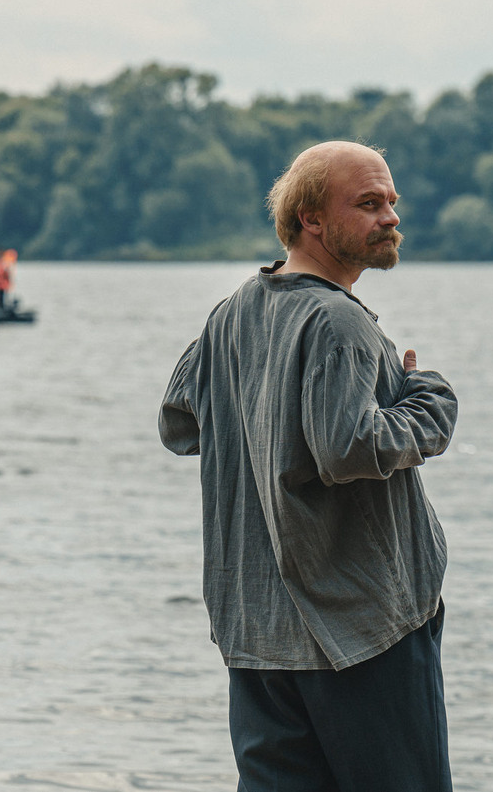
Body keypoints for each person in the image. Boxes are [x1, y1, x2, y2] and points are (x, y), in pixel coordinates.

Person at [158, 141, 458, 791]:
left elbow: (179, 422)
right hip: (360, 632)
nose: (389, 217)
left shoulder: (232, 312)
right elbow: (348, 446)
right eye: (369, 203)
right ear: (311, 219)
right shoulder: (338, 323)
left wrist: (264, 414)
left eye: (391, 202)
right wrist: (429, 401)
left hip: (259, 635)